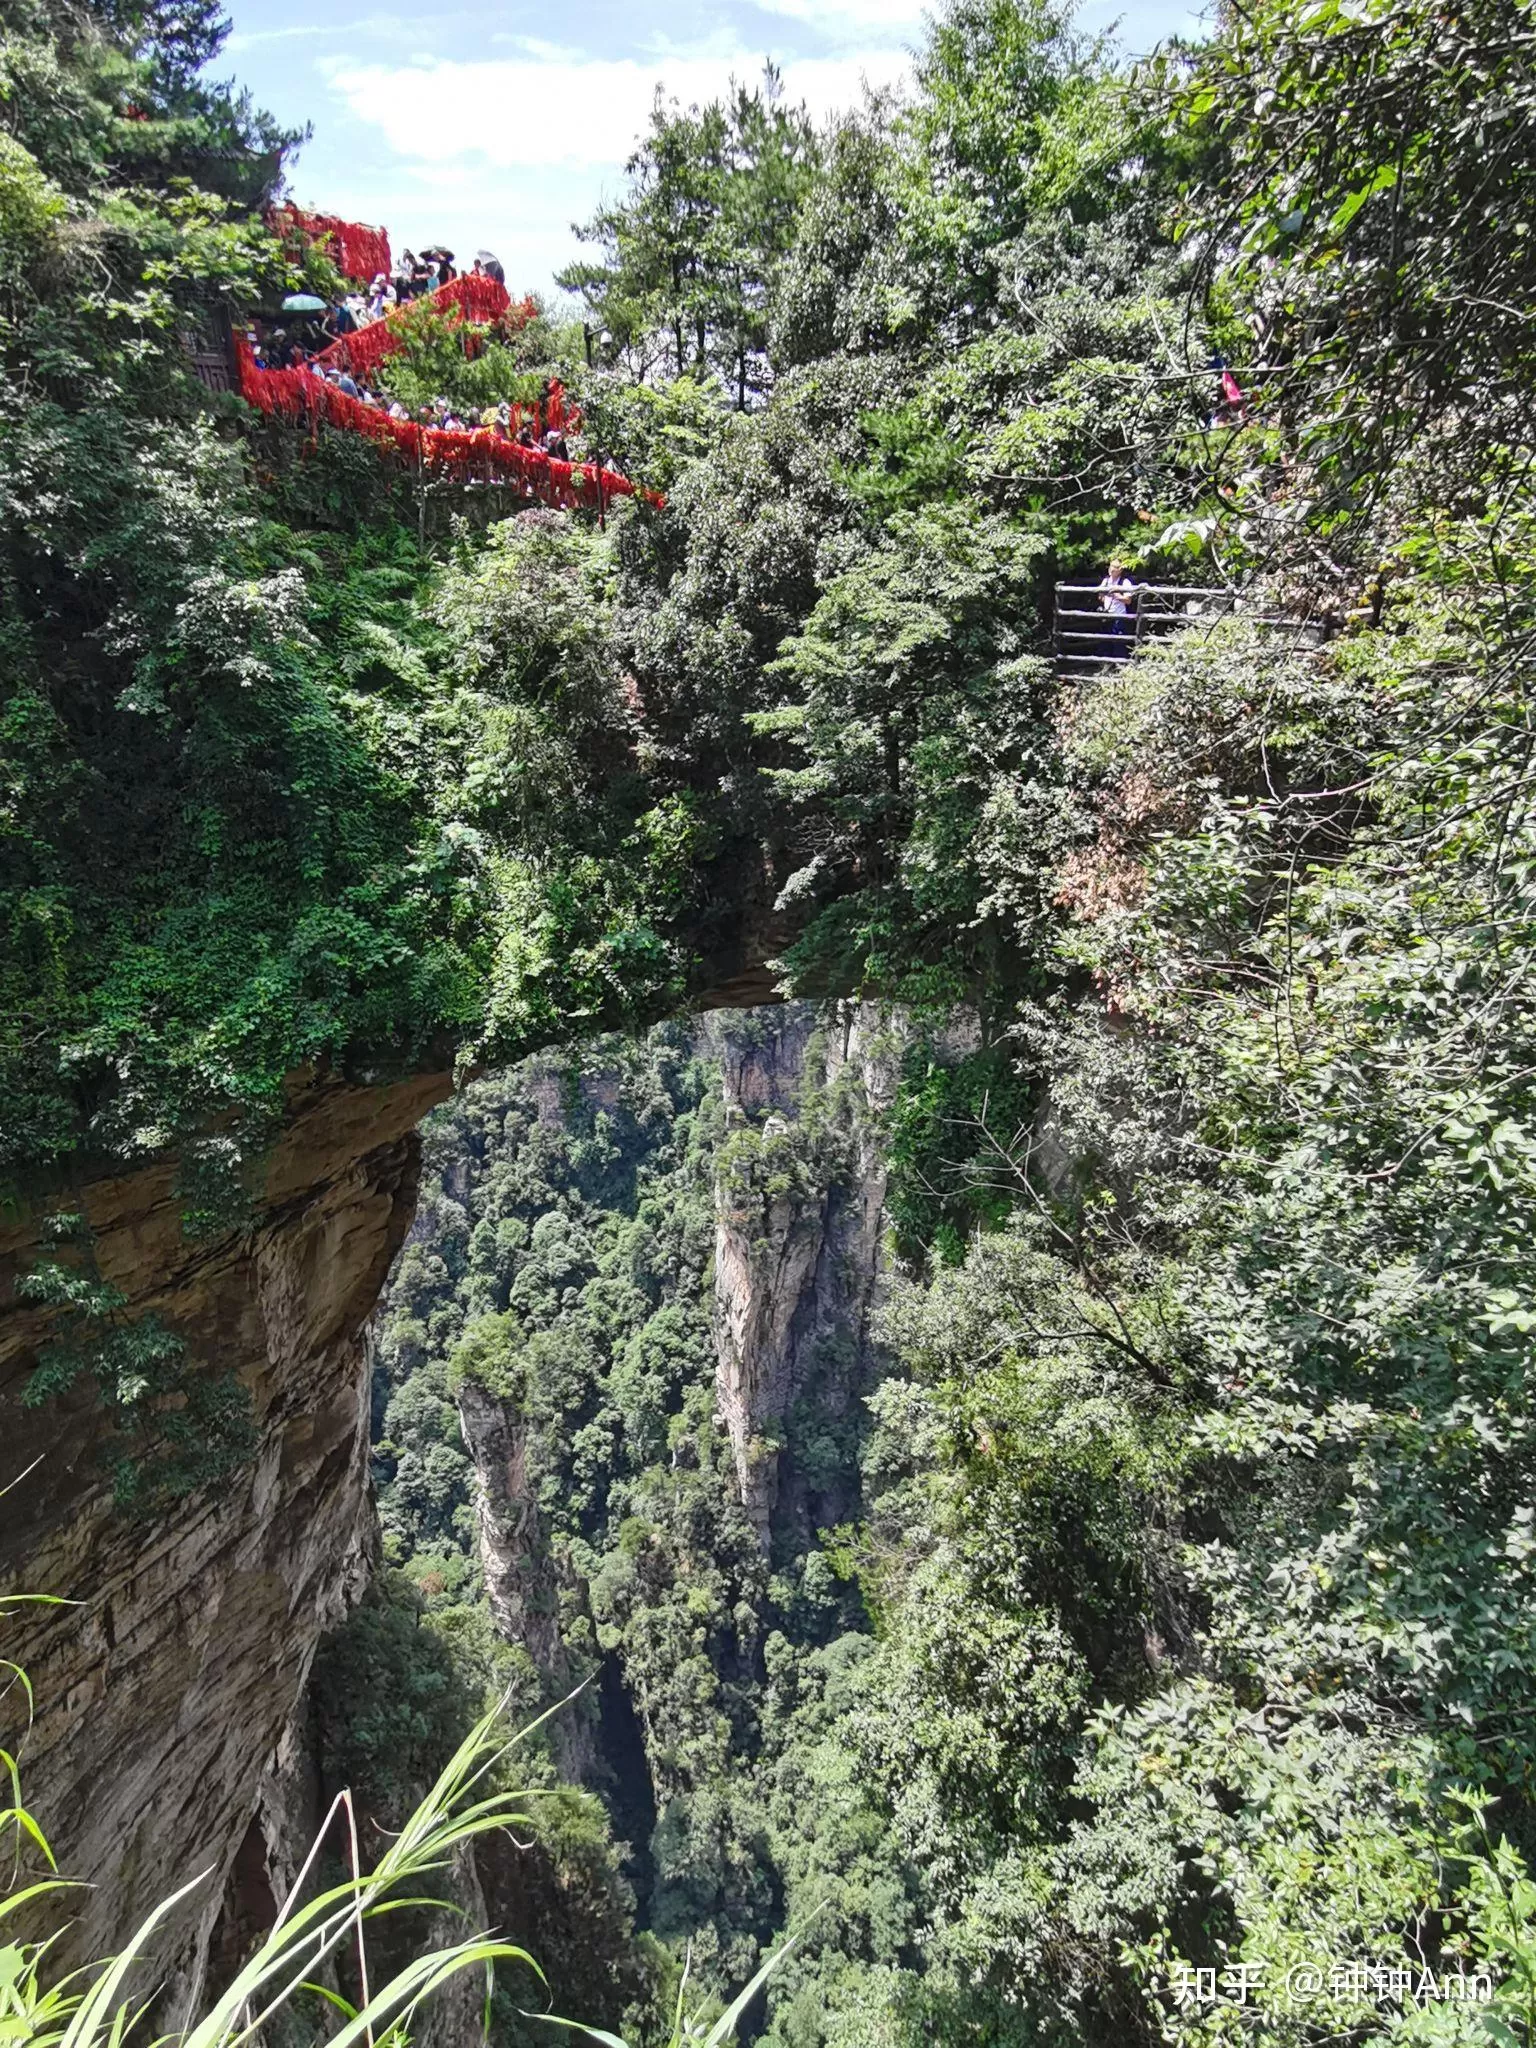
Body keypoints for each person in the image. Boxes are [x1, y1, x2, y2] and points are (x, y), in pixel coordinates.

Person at [1098, 560, 1140, 658]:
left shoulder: (1125, 582)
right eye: (1111, 566)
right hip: (1107, 615)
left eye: (1115, 567)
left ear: (1120, 570)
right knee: (1106, 641)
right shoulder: (1106, 581)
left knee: (1118, 642)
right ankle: (1107, 664)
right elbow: (1100, 598)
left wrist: (1116, 595)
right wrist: (1102, 595)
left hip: (1119, 615)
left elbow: (1128, 600)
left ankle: (1120, 665)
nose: (1112, 569)